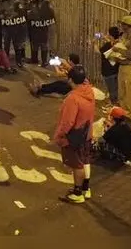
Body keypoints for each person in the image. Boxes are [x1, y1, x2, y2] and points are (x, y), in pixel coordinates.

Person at [53, 66, 96, 203]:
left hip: (74, 136)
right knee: (84, 161)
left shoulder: (73, 98)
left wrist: (59, 135)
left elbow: (68, 122)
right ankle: (85, 188)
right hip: (86, 133)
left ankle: (78, 193)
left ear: (71, 80)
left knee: (77, 165)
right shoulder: (89, 91)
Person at [111, 15, 131, 122]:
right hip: (123, 66)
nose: (121, 26)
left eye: (122, 24)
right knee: (122, 92)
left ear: (127, 25)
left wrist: (120, 51)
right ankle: (125, 113)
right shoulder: (125, 34)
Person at [99, 26, 122, 105]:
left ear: (110, 35)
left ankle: (114, 107)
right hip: (116, 70)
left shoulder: (108, 45)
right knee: (115, 90)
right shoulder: (119, 44)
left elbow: (99, 51)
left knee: (112, 92)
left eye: (108, 33)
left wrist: (94, 43)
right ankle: (115, 105)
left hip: (108, 72)